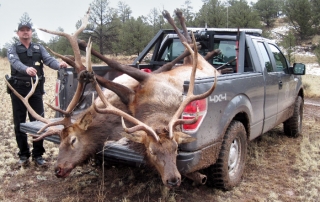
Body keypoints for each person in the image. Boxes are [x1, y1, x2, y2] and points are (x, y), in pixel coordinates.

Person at [7, 22, 68, 167]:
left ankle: (38, 155)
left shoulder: (38, 48)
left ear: (31, 32)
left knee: (39, 122)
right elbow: (14, 62)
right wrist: (25, 69)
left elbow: (48, 60)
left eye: (27, 30)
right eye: (22, 31)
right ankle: (23, 155)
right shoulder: (13, 48)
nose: (25, 33)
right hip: (18, 91)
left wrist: (58, 65)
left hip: (35, 91)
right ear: (18, 33)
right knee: (20, 123)